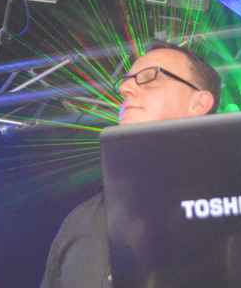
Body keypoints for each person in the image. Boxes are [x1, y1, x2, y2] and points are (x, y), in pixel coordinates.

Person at [39, 40, 222, 288]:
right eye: (126, 81)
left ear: (198, 104)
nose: (125, 88)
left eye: (151, 77)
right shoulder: (83, 217)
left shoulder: (236, 204)